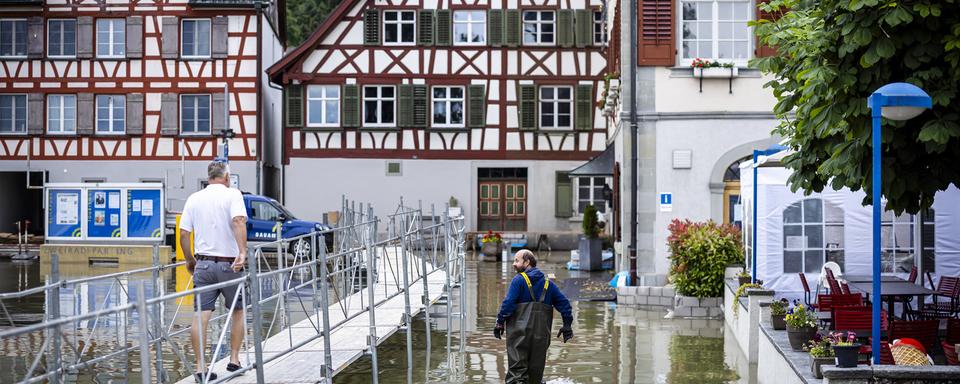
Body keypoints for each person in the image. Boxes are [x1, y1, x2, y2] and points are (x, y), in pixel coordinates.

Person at [178, 161, 248, 383]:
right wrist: (243, 252)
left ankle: (200, 367)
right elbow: (238, 221)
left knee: (200, 315)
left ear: (209, 177)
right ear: (226, 177)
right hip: (230, 264)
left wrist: (190, 260)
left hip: (204, 265)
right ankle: (234, 360)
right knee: (237, 311)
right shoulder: (233, 194)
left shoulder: (194, 198)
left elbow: (183, 233)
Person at [494, 250, 573, 384]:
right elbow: (565, 304)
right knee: (535, 374)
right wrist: (567, 325)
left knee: (517, 372)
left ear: (527, 262)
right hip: (541, 336)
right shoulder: (549, 284)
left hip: (519, 335)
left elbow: (508, 304)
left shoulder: (518, 280)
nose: (514, 264)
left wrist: (500, 322)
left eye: (517, 261)